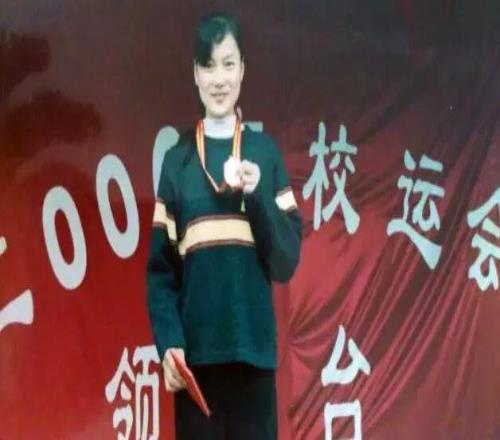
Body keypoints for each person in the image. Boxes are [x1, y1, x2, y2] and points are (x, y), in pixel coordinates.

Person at [146, 12, 302, 440]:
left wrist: (258, 196)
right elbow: (161, 273)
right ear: (196, 74)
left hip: (254, 359)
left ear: (243, 69)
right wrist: (170, 344)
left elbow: (285, 262)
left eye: (228, 64)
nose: (219, 79)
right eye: (209, 65)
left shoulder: (264, 154)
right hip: (197, 365)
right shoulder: (177, 161)